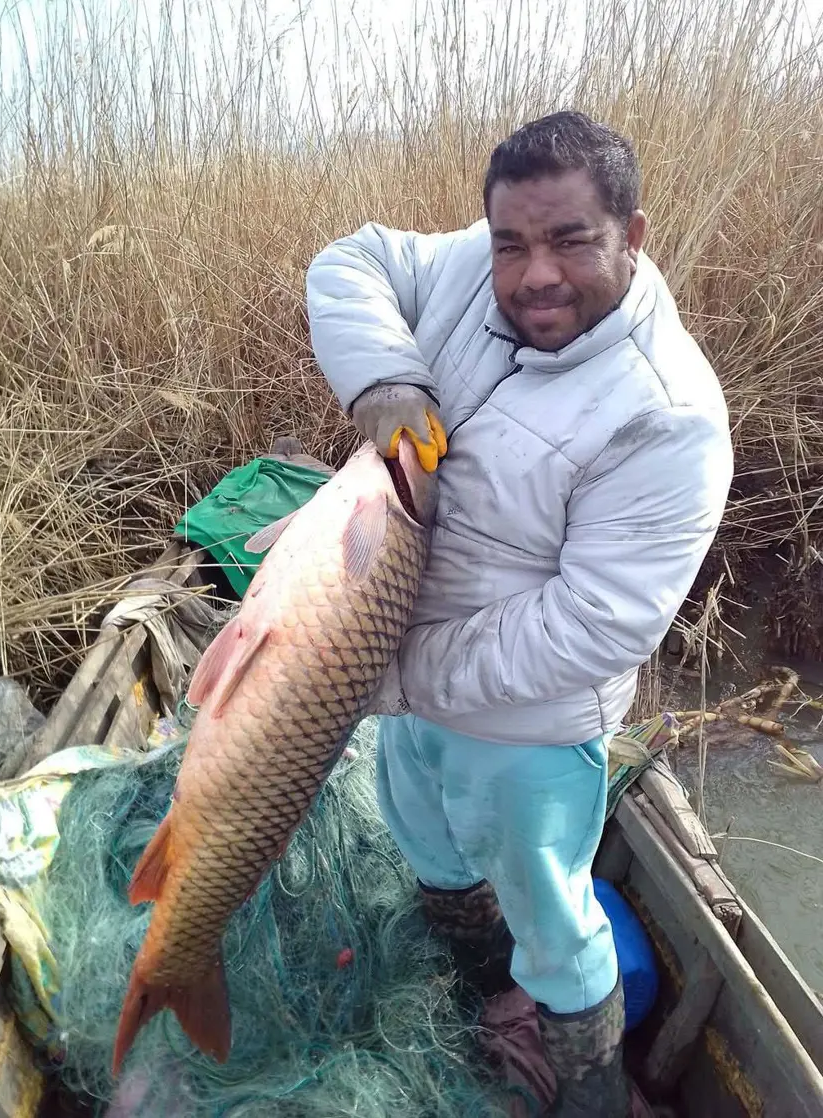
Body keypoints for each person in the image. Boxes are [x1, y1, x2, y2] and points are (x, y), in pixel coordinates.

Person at [304, 111, 733, 1117]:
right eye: (512, 243)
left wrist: (401, 673)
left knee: (554, 917)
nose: (534, 272)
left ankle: (587, 1090)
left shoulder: (667, 415)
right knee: (426, 838)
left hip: (529, 727)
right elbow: (350, 259)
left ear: (632, 234)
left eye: (571, 240)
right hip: (414, 679)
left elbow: (594, 625)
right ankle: (491, 993)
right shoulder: (472, 263)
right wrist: (386, 379)